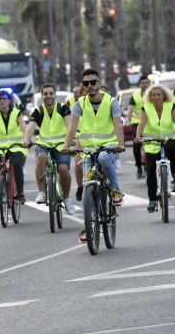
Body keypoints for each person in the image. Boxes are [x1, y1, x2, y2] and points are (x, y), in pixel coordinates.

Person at [62, 69, 125, 243]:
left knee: (104, 159)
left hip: (108, 146)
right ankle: (88, 226)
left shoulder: (111, 101)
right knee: (87, 182)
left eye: (93, 83)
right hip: (88, 150)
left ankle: (115, 190)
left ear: (99, 83)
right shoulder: (79, 103)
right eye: (86, 83)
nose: (89, 86)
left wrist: (120, 144)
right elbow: (72, 128)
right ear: (83, 86)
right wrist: (66, 146)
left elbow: (118, 125)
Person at [135, 84, 175, 212]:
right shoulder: (146, 107)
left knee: (172, 147)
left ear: (164, 95)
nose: (156, 97)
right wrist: (138, 136)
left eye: (158, 94)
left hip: (168, 139)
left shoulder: (171, 106)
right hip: (151, 142)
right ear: (150, 96)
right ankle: (152, 200)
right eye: (153, 94)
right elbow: (141, 123)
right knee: (150, 169)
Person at [24, 84, 75, 215]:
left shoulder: (63, 108)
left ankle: (67, 198)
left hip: (61, 145)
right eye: (45, 94)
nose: (48, 96)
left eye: (51, 93)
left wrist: (71, 140)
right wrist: (26, 139)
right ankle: (41, 192)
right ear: (42, 96)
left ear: (55, 95)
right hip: (44, 144)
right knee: (41, 157)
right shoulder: (38, 111)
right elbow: (31, 127)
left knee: (63, 169)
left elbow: (69, 125)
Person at [126, 75, 151, 179]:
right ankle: (139, 167)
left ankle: (149, 163)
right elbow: (130, 110)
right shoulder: (135, 96)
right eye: (142, 83)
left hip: (150, 122)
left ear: (149, 83)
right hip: (137, 122)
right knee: (137, 142)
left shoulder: (153, 94)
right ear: (139, 84)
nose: (144, 84)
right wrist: (128, 120)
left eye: (146, 82)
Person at [64, 86, 85, 201]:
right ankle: (80, 187)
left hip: (98, 139)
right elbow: (69, 123)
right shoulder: (74, 105)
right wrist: (68, 142)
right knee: (78, 161)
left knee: (105, 161)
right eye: (77, 93)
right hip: (79, 137)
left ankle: (112, 187)